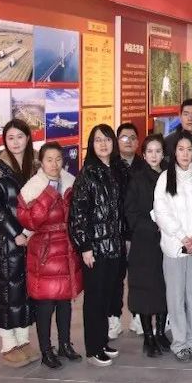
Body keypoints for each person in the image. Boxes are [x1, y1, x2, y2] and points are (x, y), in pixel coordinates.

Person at [16, 142, 81, 369]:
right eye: (49, 160)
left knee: (65, 302)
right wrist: (48, 194)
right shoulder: (32, 187)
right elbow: (29, 221)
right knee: (45, 305)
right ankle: (46, 350)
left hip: (66, 249)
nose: (54, 164)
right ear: (41, 163)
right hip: (44, 250)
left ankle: (65, 344)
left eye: (58, 159)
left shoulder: (71, 181)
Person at [69, 124, 125, 367]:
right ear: (92, 145)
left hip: (114, 246)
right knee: (94, 299)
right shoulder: (88, 174)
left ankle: (102, 342)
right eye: (98, 140)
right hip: (95, 249)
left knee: (106, 297)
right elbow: (78, 215)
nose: (103, 144)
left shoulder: (114, 171)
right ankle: (93, 349)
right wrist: (85, 247)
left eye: (107, 139)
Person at [0, 119, 37, 368]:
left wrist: (32, 229)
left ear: (28, 138)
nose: (16, 142)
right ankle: (8, 344)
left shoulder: (35, 165)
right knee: (7, 292)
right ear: (5, 141)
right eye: (10, 138)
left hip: (30, 237)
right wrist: (15, 232)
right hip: (5, 242)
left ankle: (23, 340)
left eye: (20, 137)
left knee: (25, 290)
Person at [154, 134, 192, 362]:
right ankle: (179, 342)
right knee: (175, 297)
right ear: (174, 152)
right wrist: (182, 237)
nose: (185, 154)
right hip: (175, 247)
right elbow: (161, 211)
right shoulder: (165, 178)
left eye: (189, 149)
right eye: (181, 149)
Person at [124, 134, 170, 358]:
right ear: (143, 154)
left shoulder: (170, 176)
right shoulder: (137, 179)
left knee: (164, 287)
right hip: (144, 243)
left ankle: (161, 332)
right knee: (144, 290)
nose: (154, 155)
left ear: (163, 154)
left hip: (167, 242)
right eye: (149, 151)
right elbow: (131, 213)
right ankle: (148, 336)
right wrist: (154, 226)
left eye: (158, 151)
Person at [115, 122, 145, 337]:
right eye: (124, 137)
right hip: (115, 232)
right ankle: (114, 318)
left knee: (138, 276)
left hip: (138, 232)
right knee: (115, 278)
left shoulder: (144, 166)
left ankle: (138, 316)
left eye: (133, 138)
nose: (129, 141)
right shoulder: (110, 165)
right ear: (117, 141)